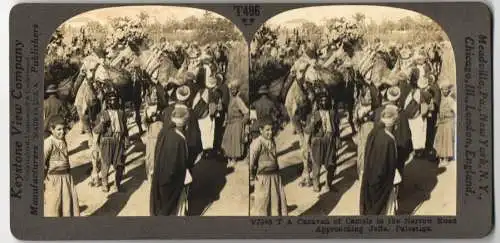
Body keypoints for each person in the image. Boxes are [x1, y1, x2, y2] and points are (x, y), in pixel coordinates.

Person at [151, 105, 192, 216]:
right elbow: (175, 165)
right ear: (184, 124)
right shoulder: (179, 139)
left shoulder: (166, 133)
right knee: (170, 209)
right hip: (171, 182)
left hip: (161, 177)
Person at [360, 105, 401, 215]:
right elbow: (385, 166)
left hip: (369, 177)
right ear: (392, 124)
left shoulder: (374, 132)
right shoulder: (388, 140)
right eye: (396, 124)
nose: (397, 127)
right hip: (381, 182)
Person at [250, 116, 288, 216]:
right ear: (260, 130)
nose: (270, 132)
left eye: (271, 129)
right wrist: (253, 176)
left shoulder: (272, 141)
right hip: (263, 178)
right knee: (263, 205)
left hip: (275, 177)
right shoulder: (257, 143)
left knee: (276, 205)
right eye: (267, 130)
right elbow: (251, 161)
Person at [44, 115, 80, 217]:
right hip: (53, 180)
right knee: (54, 207)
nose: (62, 132)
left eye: (63, 129)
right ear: (51, 129)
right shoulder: (48, 143)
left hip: (66, 178)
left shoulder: (63, 141)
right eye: (59, 129)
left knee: (67, 205)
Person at [304, 92, 340, 192]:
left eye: (326, 100)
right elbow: (307, 130)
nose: (324, 102)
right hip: (318, 141)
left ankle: (329, 184)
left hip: (330, 140)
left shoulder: (332, 112)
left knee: (331, 164)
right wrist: (313, 123)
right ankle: (316, 183)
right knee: (317, 164)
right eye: (322, 100)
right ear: (319, 102)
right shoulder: (314, 115)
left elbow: (336, 127)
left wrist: (338, 139)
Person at [93, 93, 128, 193]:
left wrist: (126, 140)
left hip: (119, 140)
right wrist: (102, 123)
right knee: (106, 164)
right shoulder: (102, 114)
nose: (113, 102)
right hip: (107, 141)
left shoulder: (121, 113)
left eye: (115, 99)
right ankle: (104, 183)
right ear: (107, 101)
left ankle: (117, 184)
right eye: (111, 100)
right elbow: (96, 130)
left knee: (120, 164)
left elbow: (125, 128)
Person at [221, 79, 250, 167]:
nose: (232, 91)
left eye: (234, 89)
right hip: (230, 122)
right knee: (227, 140)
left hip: (237, 122)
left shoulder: (238, 99)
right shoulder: (231, 99)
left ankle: (234, 159)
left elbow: (246, 112)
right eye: (231, 89)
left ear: (237, 89)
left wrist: (243, 123)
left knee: (234, 141)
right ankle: (229, 158)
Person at [143, 81, 167, 181]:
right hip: (152, 136)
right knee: (151, 158)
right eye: (152, 93)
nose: (154, 96)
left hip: (161, 136)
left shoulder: (164, 109)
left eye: (156, 93)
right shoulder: (147, 108)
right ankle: (151, 176)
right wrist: (149, 118)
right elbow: (144, 123)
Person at [354, 87, 375, 180]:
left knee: (368, 152)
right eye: (367, 95)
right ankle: (363, 172)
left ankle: (366, 172)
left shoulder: (373, 105)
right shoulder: (360, 106)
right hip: (366, 131)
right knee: (364, 152)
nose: (369, 97)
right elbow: (355, 120)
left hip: (369, 131)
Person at [434, 81, 456, 166]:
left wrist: (450, 116)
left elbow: (455, 111)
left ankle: (446, 158)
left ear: (448, 90)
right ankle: (441, 157)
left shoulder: (451, 100)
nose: (444, 91)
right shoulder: (442, 99)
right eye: (443, 90)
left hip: (448, 122)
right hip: (442, 122)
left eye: (446, 89)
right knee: (440, 139)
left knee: (447, 140)